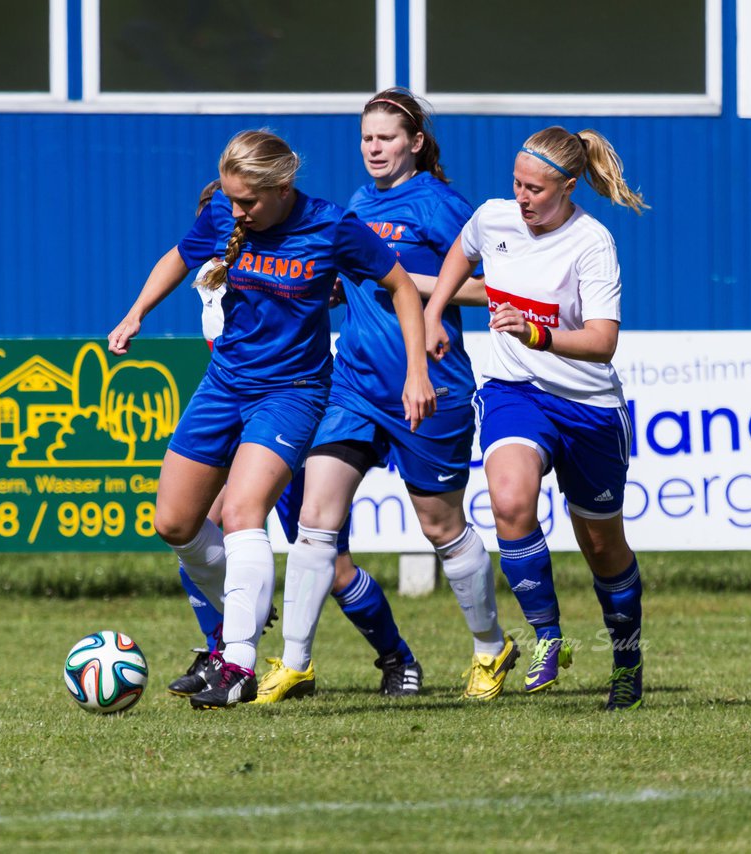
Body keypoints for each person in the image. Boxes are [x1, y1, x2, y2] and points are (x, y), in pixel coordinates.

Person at [109, 129, 435, 709]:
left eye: (248, 202)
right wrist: (135, 313)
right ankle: (240, 620)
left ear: (283, 188)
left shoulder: (331, 225)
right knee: (176, 523)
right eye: (231, 201)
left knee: (244, 515)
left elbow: (403, 287)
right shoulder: (222, 217)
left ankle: (237, 661)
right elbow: (178, 258)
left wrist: (417, 370)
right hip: (223, 385)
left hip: (292, 393)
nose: (236, 212)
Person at [257, 89, 515, 705]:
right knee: (316, 520)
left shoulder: (441, 204)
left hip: (431, 384)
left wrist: (405, 281)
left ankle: (489, 646)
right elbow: (356, 279)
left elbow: (491, 288)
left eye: (387, 137)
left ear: (416, 143)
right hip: (354, 384)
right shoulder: (355, 203)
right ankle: (294, 664)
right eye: (367, 137)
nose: (374, 148)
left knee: (440, 524)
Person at [423, 126, 648, 710]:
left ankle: (627, 661)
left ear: (569, 187)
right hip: (512, 391)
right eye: (517, 184)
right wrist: (434, 310)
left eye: (536, 189)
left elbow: (602, 342)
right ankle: (548, 636)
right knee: (510, 502)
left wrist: (538, 333)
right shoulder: (495, 216)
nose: (522, 198)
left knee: (603, 549)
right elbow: (462, 251)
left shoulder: (592, 242)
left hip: (587, 407)